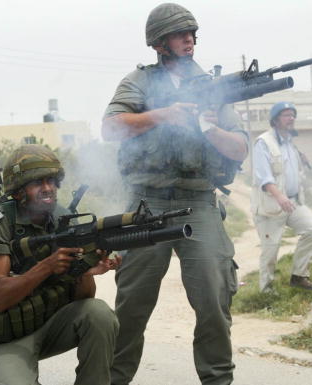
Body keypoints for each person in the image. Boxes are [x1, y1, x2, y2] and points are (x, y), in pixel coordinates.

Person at [101, 3, 248, 384]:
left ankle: (217, 379)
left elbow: (240, 147)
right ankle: (114, 379)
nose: (190, 40)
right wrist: (164, 115)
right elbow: (111, 127)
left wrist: (210, 130)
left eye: (193, 34)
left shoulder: (212, 88)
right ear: (159, 42)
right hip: (147, 203)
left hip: (198, 202)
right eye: (181, 34)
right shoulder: (140, 81)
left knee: (214, 298)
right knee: (132, 303)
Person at [0, 144, 120, 384]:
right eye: (38, 183)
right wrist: (48, 266)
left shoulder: (62, 218)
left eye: (51, 181)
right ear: (19, 191)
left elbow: (85, 297)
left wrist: (83, 268)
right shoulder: (0, 223)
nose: (48, 188)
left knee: (100, 314)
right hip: (10, 336)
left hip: (52, 324)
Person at [251, 102, 312, 292]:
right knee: (271, 248)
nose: (291, 118)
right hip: (271, 205)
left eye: (293, 115)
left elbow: (292, 172)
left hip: (292, 201)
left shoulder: (290, 142)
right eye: (286, 115)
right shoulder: (263, 142)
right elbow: (263, 177)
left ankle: (299, 277)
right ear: (275, 120)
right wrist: (280, 197)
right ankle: (265, 289)